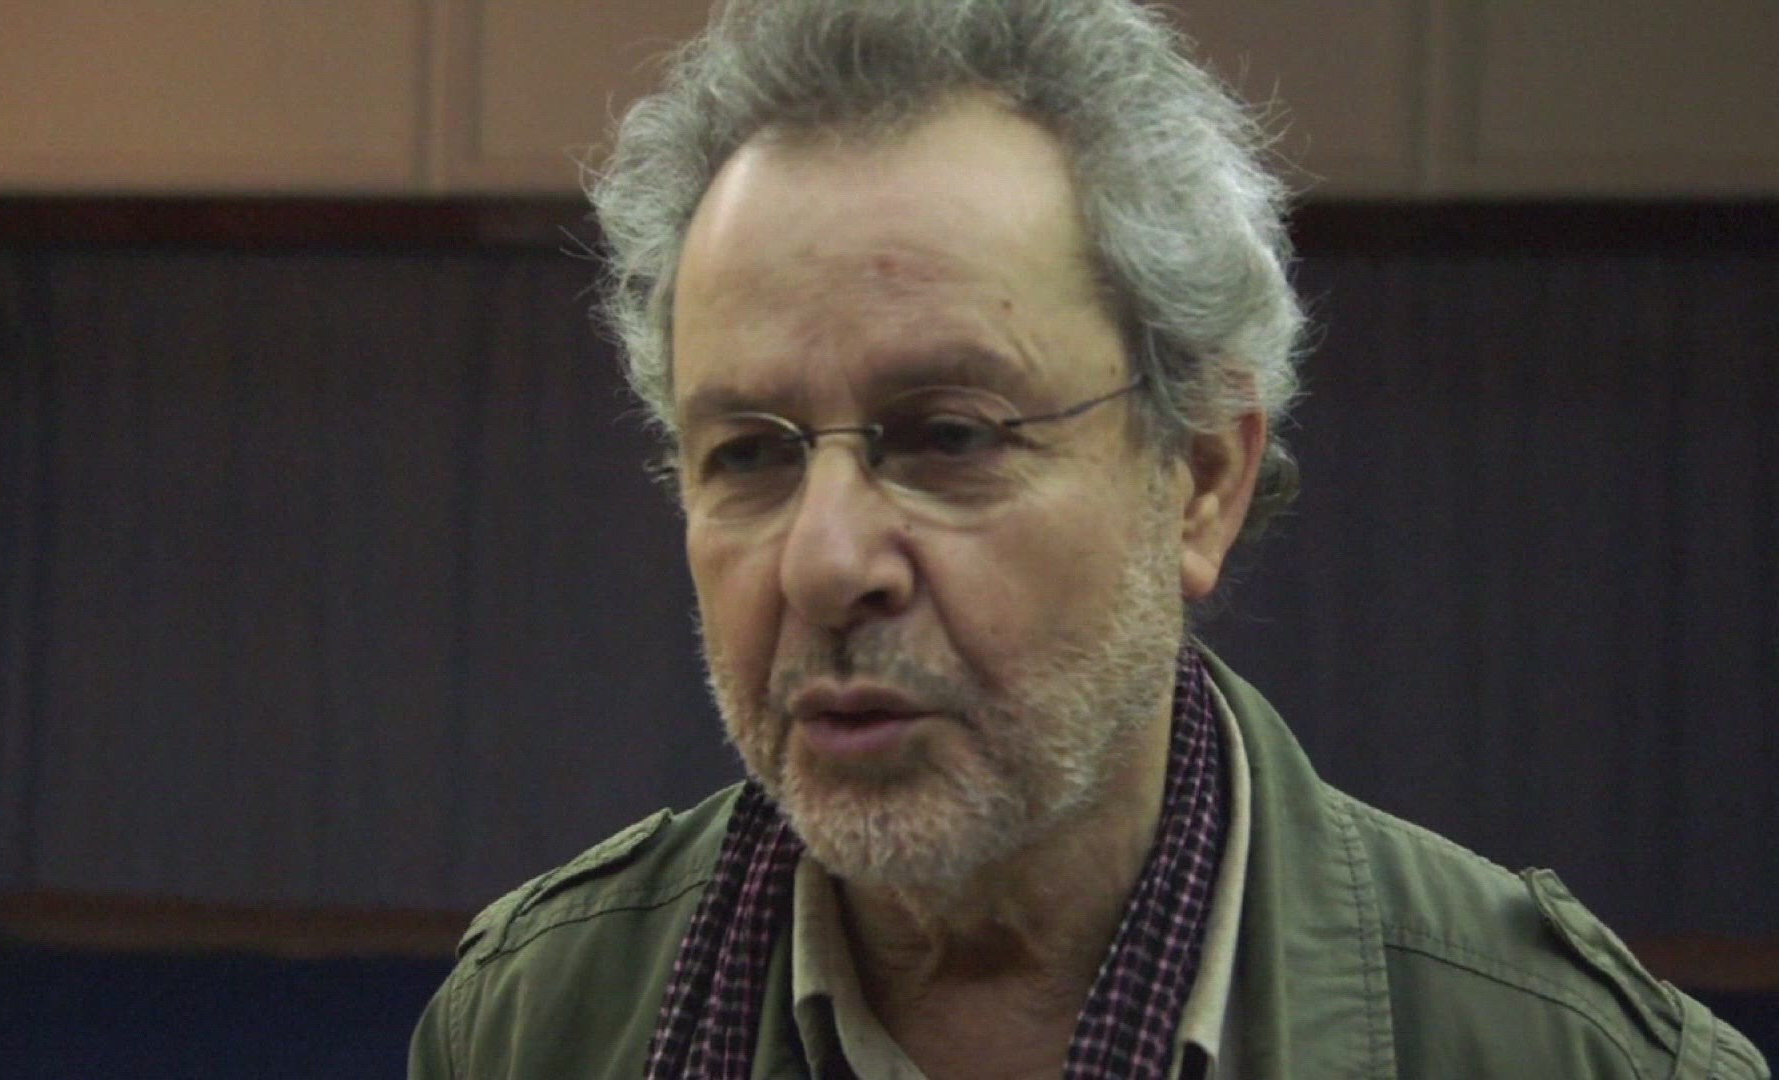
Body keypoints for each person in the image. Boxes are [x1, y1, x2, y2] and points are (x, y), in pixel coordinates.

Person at [410, 2, 1769, 1077]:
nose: (825, 563)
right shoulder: (531, 1026)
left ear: (1201, 480)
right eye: (751, 453)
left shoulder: (1564, 1055)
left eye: (947, 435)